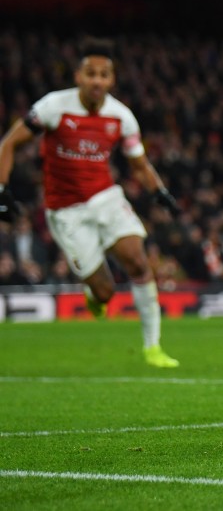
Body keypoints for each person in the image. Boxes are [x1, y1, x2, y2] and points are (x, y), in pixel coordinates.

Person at [0, 37, 182, 367]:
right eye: (90, 73)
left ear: (112, 80)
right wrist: (1, 188)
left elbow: (139, 164)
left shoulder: (121, 116)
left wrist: (160, 192)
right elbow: (9, 143)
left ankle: (153, 347)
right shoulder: (53, 107)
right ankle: (95, 294)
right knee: (104, 293)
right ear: (78, 76)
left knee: (138, 261)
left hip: (105, 197)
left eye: (103, 74)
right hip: (65, 211)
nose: (97, 81)